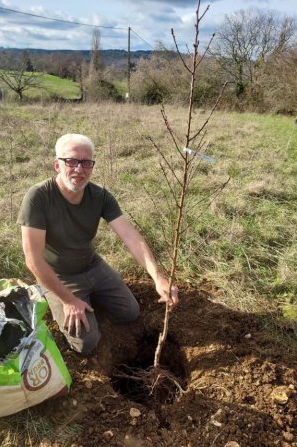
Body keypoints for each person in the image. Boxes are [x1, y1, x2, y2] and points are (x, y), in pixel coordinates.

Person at [17, 133, 178, 355]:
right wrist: (68, 299)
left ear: (92, 166)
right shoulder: (38, 197)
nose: (79, 169)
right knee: (86, 343)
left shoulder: (100, 196)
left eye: (86, 163)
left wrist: (157, 276)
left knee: (129, 313)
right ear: (57, 164)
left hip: (92, 265)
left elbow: (131, 236)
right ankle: (76, 301)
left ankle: (90, 300)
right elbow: (33, 259)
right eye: (71, 161)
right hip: (59, 275)